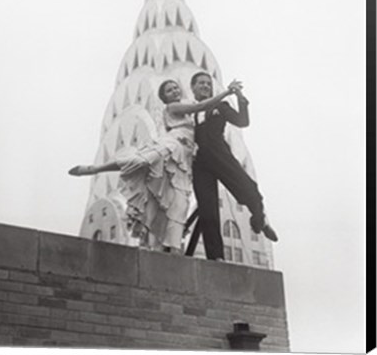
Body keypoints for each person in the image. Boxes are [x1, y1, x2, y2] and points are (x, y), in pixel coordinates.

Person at [68, 78, 240, 253]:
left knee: (178, 204)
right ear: (164, 98)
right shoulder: (173, 107)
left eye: (175, 88)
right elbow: (200, 107)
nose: (174, 91)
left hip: (184, 158)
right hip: (170, 144)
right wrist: (227, 92)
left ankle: (173, 249)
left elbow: (204, 121)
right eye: (169, 90)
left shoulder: (191, 112)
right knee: (140, 161)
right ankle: (95, 169)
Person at [187, 72, 277, 261]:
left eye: (208, 84)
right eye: (201, 83)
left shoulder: (221, 105)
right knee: (207, 209)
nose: (205, 86)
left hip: (220, 155)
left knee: (249, 189)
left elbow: (242, 121)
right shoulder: (189, 112)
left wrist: (240, 97)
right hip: (200, 163)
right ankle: (216, 256)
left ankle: (259, 220)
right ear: (193, 88)